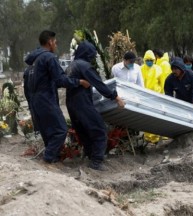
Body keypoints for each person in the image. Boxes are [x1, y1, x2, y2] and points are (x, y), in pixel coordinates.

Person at [24, 30, 90, 163]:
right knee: (61, 129)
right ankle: (48, 158)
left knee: (48, 131)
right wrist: (79, 82)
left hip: (35, 101)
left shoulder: (32, 62)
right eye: (55, 42)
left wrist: (32, 104)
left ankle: (53, 158)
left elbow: (26, 87)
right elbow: (60, 80)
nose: (56, 45)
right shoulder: (49, 57)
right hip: (46, 99)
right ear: (50, 42)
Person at [66, 40, 125, 171]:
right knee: (99, 130)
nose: (92, 58)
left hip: (71, 104)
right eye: (92, 55)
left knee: (84, 131)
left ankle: (89, 156)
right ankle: (96, 162)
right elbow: (99, 84)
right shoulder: (85, 66)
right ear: (88, 54)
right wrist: (115, 97)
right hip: (82, 104)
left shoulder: (71, 65)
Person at [141, 50, 164, 144]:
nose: (149, 62)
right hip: (145, 96)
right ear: (144, 60)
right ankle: (147, 136)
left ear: (154, 59)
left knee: (156, 116)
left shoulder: (158, 69)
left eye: (151, 60)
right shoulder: (141, 69)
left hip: (156, 95)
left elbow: (162, 83)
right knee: (147, 117)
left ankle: (155, 137)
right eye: (147, 60)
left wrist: (162, 94)